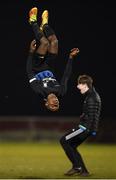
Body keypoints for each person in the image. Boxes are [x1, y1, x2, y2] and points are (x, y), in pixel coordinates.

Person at [26, 7, 79, 112]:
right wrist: (71, 57)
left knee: (45, 43)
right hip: (49, 65)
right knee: (54, 42)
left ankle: (33, 21)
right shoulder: (61, 91)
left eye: (53, 106)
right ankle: (45, 25)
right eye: (57, 105)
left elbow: (29, 72)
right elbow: (66, 75)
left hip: (37, 65)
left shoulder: (39, 91)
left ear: (46, 103)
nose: (56, 103)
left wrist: (31, 52)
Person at [60, 74, 101, 176]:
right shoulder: (91, 95)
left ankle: (77, 167)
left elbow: (92, 117)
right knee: (72, 145)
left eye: (79, 84)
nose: (77, 86)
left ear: (85, 85)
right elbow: (92, 114)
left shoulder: (92, 97)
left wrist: (88, 128)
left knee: (64, 140)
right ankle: (84, 171)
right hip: (87, 127)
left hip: (84, 128)